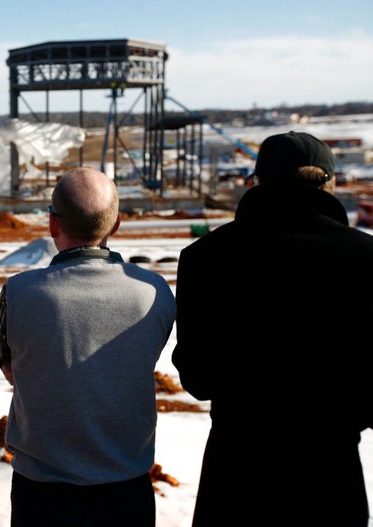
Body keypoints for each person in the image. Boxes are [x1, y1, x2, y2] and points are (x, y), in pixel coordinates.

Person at [173, 131, 373, 526]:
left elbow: (197, 377)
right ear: (329, 183)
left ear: (256, 180)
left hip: (238, 477)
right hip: (332, 476)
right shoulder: (365, 258)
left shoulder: (205, 258)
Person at [0, 167, 177, 526]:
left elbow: (11, 369)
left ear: (52, 224)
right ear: (117, 224)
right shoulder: (154, 292)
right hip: (127, 489)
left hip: (42, 492)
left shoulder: (19, 293)